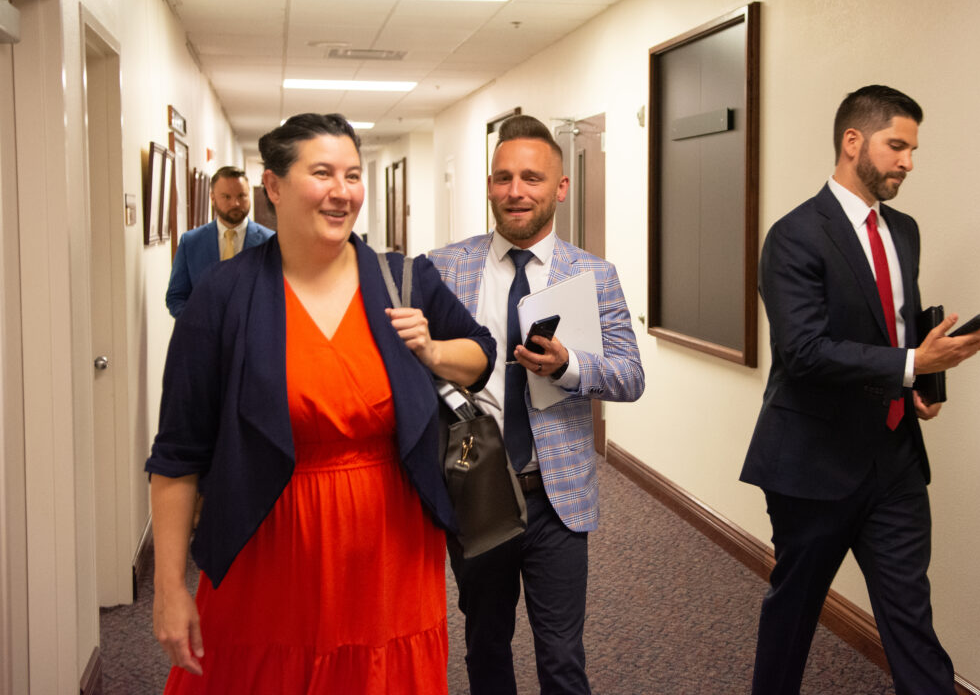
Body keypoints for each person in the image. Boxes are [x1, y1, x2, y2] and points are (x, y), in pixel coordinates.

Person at [145, 113, 496, 692]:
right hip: (268, 545)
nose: (342, 191)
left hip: (390, 552)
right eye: (323, 173)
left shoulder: (402, 280)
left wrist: (431, 350)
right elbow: (177, 454)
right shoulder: (222, 299)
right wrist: (168, 587)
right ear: (274, 186)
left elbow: (480, 354)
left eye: (353, 175)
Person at [740, 85, 980, 695]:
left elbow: (894, 328)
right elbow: (801, 352)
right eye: (897, 145)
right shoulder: (795, 235)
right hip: (812, 462)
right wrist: (909, 363)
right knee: (795, 613)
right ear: (853, 141)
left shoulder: (903, 230)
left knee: (910, 618)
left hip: (895, 460)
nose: (909, 161)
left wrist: (924, 381)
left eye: (912, 148)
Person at [428, 114, 644, 694]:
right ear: (489, 185)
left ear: (560, 187)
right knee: (486, 645)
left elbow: (629, 376)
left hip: (556, 495)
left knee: (562, 656)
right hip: (477, 487)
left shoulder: (593, 275)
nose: (515, 192)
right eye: (503, 178)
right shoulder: (444, 268)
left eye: (531, 178)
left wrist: (570, 367)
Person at [165, 166, 274, 318]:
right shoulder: (190, 243)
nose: (235, 203)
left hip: (255, 338)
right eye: (227, 197)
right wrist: (196, 324)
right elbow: (176, 297)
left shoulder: (270, 242)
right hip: (203, 338)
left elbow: (279, 295)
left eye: (241, 196)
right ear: (212, 197)